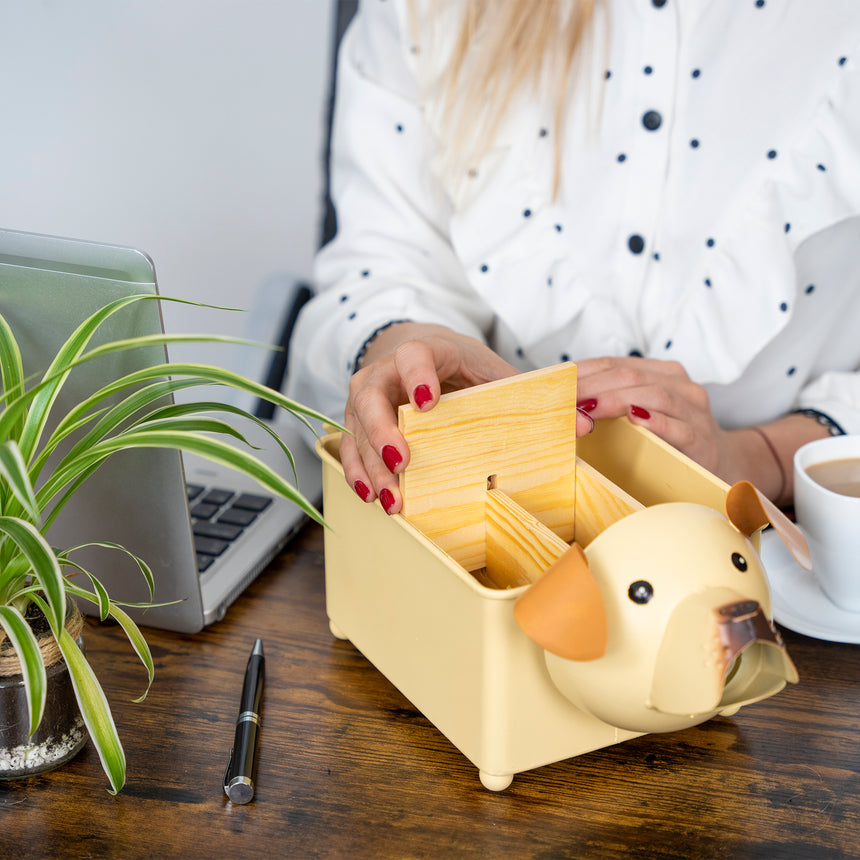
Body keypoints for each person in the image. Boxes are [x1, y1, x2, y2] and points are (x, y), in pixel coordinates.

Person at [287, 0, 860, 516]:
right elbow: (379, 260)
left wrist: (751, 459)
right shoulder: (431, 12)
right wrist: (408, 359)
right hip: (479, 524)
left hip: (798, 543)